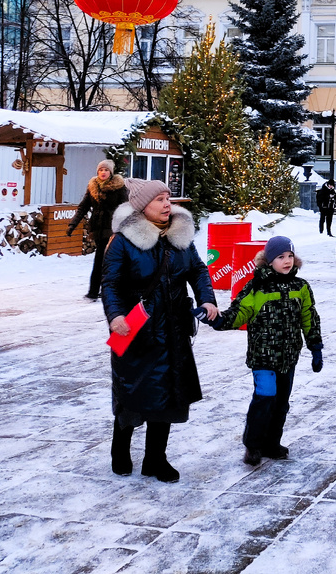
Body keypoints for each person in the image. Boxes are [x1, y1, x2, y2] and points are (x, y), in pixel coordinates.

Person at [102, 179, 218, 483]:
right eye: (159, 200)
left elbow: (197, 269)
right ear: (143, 206)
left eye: (168, 198)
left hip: (174, 328)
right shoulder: (123, 240)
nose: (167, 204)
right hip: (136, 329)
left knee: (168, 394)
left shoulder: (180, 235)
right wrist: (115, 316)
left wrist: (207, 298)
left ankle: (156, 458)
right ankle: (120, 449)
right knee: (133, 391)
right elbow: (111, 284)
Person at [208, 236, 323, 467]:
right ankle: (253, 445)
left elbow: (309, 317)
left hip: (288, 357)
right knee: (265, 398)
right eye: (281, 257)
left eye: (290, 256)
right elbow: (239, 312)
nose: (287, 261)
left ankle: (272, 443)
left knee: (281, 402)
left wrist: (315, 346)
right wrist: (217, 321)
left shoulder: (300, 287)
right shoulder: (257, 287)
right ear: (269, 261)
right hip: (263, 356)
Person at [67, 159, 129, 301]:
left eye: (106, 170)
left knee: (105, 259)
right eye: (101, 170)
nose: (103, 172)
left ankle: (99, 291)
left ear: (111, 172)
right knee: (102, 259)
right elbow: (83, 207)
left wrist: (125, 227)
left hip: (113, 228)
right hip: (98, 229)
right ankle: (96, 291)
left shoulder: (119, 187)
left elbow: (125, 208)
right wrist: (72, 224)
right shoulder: (93, 187)